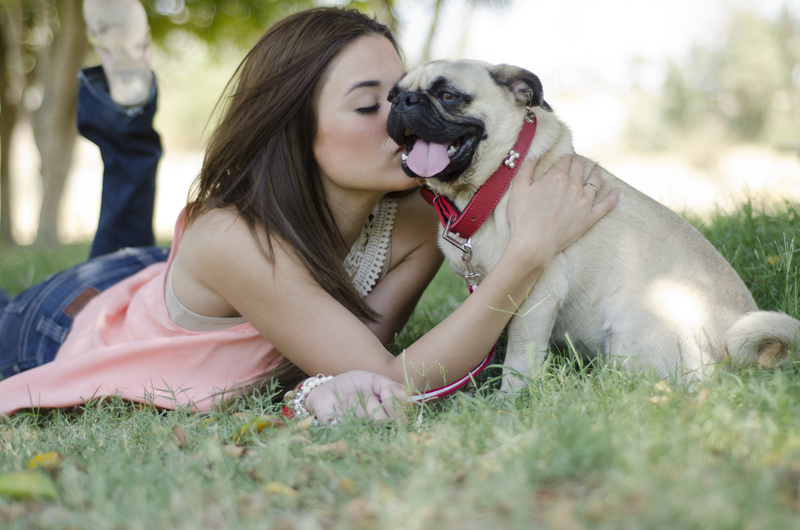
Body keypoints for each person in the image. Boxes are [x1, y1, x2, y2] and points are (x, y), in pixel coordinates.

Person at [0, 3, 617, 421]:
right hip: (57, 327)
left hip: (168, 286)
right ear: (295, 131)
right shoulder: (233, 239)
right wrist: (526, 255)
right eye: (368, 106)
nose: (402, 117)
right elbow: (391, 377)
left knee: (126, 254)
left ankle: (127, 113)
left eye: (404, 93)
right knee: (107, 258)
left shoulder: (419, 218)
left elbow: (363, 352)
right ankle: (128, 112)